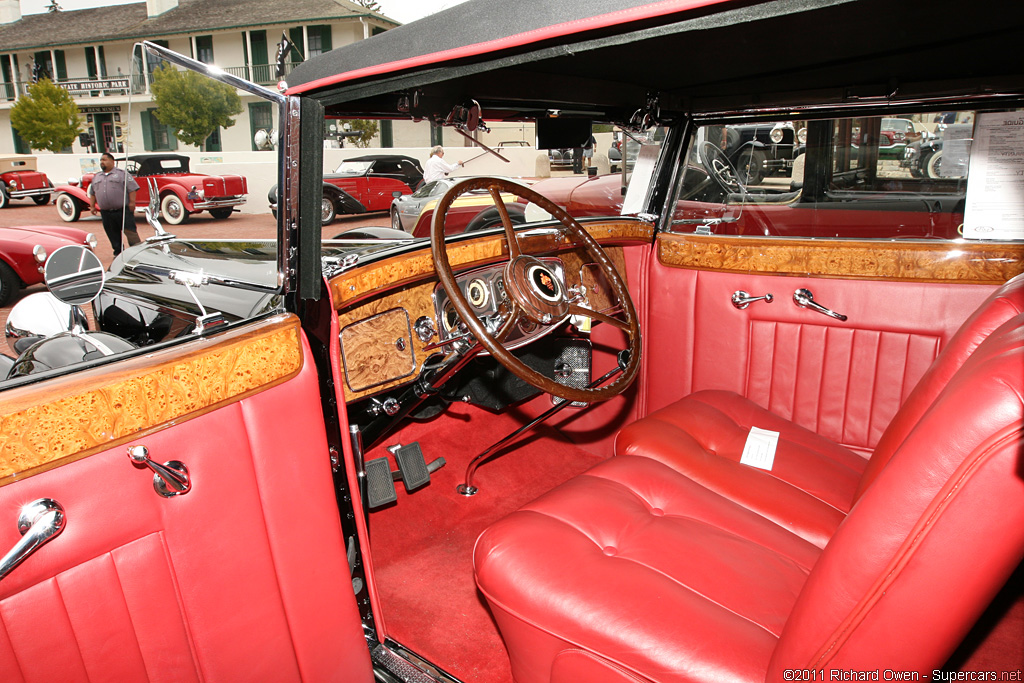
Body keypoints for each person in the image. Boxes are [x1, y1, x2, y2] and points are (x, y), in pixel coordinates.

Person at [88, 152, 140, 255]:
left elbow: (132, 189)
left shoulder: (122, 174)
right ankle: (118, 252)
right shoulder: (97, 177)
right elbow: (92, 193)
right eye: (101, 160)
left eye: (105, 160)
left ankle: (137, 252)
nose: (102, 162)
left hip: (122, 210)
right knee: (112, 233)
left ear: (112, 161)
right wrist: (92, 206)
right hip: (106, 212)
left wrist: (132, 203)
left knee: (130, 232)